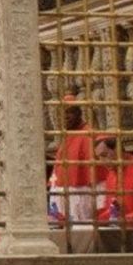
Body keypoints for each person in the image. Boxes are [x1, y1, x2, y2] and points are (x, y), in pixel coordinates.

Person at [49, 95, 103, 224]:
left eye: (69, 112)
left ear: (79, 113)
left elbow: (97, 177)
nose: (65, 117)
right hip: (63, 197)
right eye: (62, 114)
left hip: (81, 195)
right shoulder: (67, 136)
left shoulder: (89, 134)